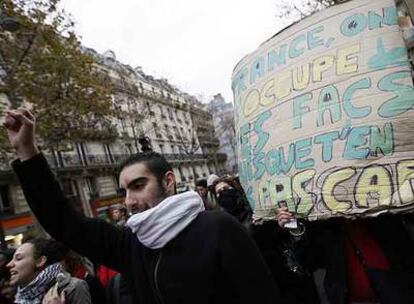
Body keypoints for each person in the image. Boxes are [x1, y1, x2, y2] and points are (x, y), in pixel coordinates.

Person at [4, 109, 281, 304]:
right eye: (124, 190)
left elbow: (262, 294)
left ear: (168, 181)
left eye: (138, 186)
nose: (129, 201)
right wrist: (27, 151)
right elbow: (62, 221)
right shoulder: (131, 243)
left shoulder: (218, 227)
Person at [277, 207, 414, 303]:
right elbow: (310, 261)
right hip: (351, 298)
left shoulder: (384, 211)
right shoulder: (321, 224)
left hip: (400, 291)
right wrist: (295, 228)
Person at [6, 237, 91, 304]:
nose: (9, 264)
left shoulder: (72, 288)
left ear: (40, 261)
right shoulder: (17, 296)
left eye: (18, 258)